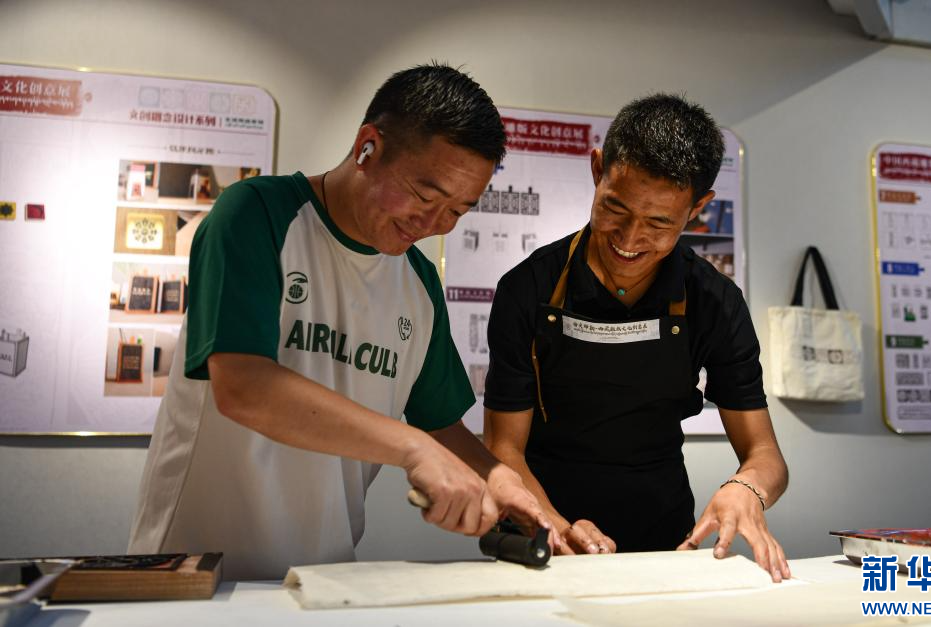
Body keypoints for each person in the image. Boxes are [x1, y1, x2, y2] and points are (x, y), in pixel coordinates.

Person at [129, 64, 553, 581]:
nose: (432, 224)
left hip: (322, 575)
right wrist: (411, 448)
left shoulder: (419, 282)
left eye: (456, 211)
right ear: (367, 147)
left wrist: (498, 479)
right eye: (424, 196)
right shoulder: (258, 214)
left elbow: (439, 424)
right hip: (197, 571)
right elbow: (243, 386)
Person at [482, 94, 791, 582]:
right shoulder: (529, 288)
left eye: (659, 223)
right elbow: (504, 449)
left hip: (662, 538)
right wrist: (556, 529)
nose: (628, 239)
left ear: (698, 208)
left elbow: (765, 455)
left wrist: (747, 488)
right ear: (598, 170)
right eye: (615, 208)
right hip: (540, 528)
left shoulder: (714, 301)